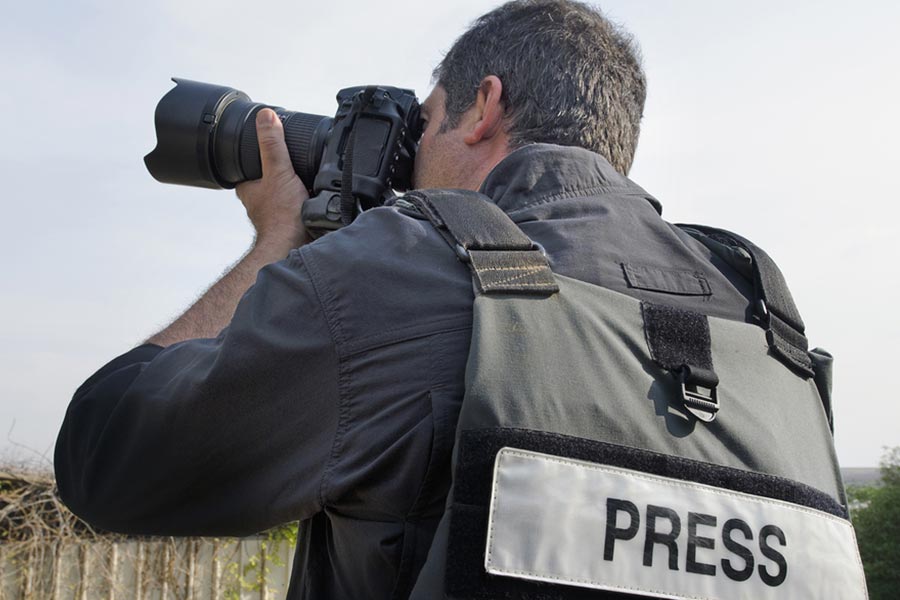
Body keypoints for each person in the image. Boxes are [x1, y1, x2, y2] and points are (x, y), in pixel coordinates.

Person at [55, 1, 758, 598]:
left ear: (482, 107)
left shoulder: (407, 273)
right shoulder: (753, 309)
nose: (412, 157)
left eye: (425, 124)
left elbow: (106, 456)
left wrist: (278, 242)